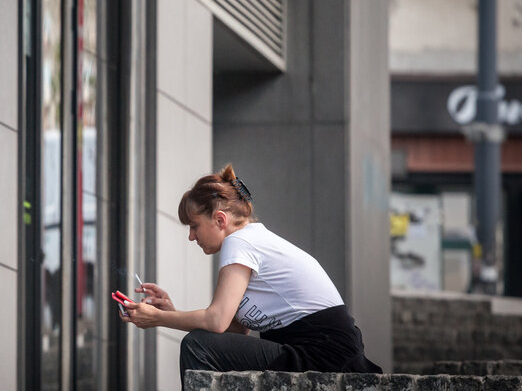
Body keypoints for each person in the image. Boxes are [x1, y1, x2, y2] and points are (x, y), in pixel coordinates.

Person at [120, 164, 382, 383]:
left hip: (322, 352)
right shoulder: (250, 241)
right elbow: (234, 330)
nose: (191, 237)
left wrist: (158, 318)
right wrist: (169, 312)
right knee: (202, 343)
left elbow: (216, 321)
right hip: (323, 350)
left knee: (196, 345)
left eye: (194, 226)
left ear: (220, 220)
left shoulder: (241, 242)